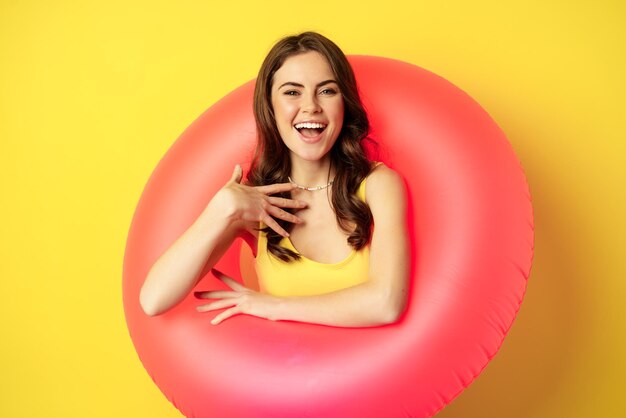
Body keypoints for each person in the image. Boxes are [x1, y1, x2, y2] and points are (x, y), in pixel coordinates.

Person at [140, 32, 409, 327]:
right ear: (270, 106)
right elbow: (154, 300)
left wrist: (271, 305)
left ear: (344, 103)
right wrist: (222, 208)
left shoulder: (378, 184)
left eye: (327, 91)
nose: (311, 106)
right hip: (287, 370)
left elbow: (385, 303)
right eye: (292, 92)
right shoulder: (253, 206)